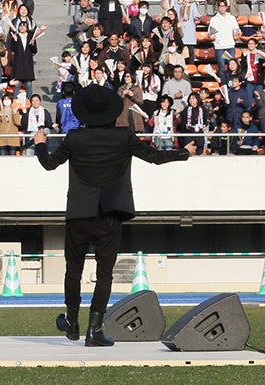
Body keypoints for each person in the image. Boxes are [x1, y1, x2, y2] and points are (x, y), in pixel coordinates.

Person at [35, 85, 190, 347]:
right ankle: (95, 329)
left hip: (79, 212)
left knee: (74, 269)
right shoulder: (123, 136)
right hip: (111, 212)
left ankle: (71, 321)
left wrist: (40, 144)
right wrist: (184, 153)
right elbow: (154, 157)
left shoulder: (74, 137)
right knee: (105, 272)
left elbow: (49, 164)